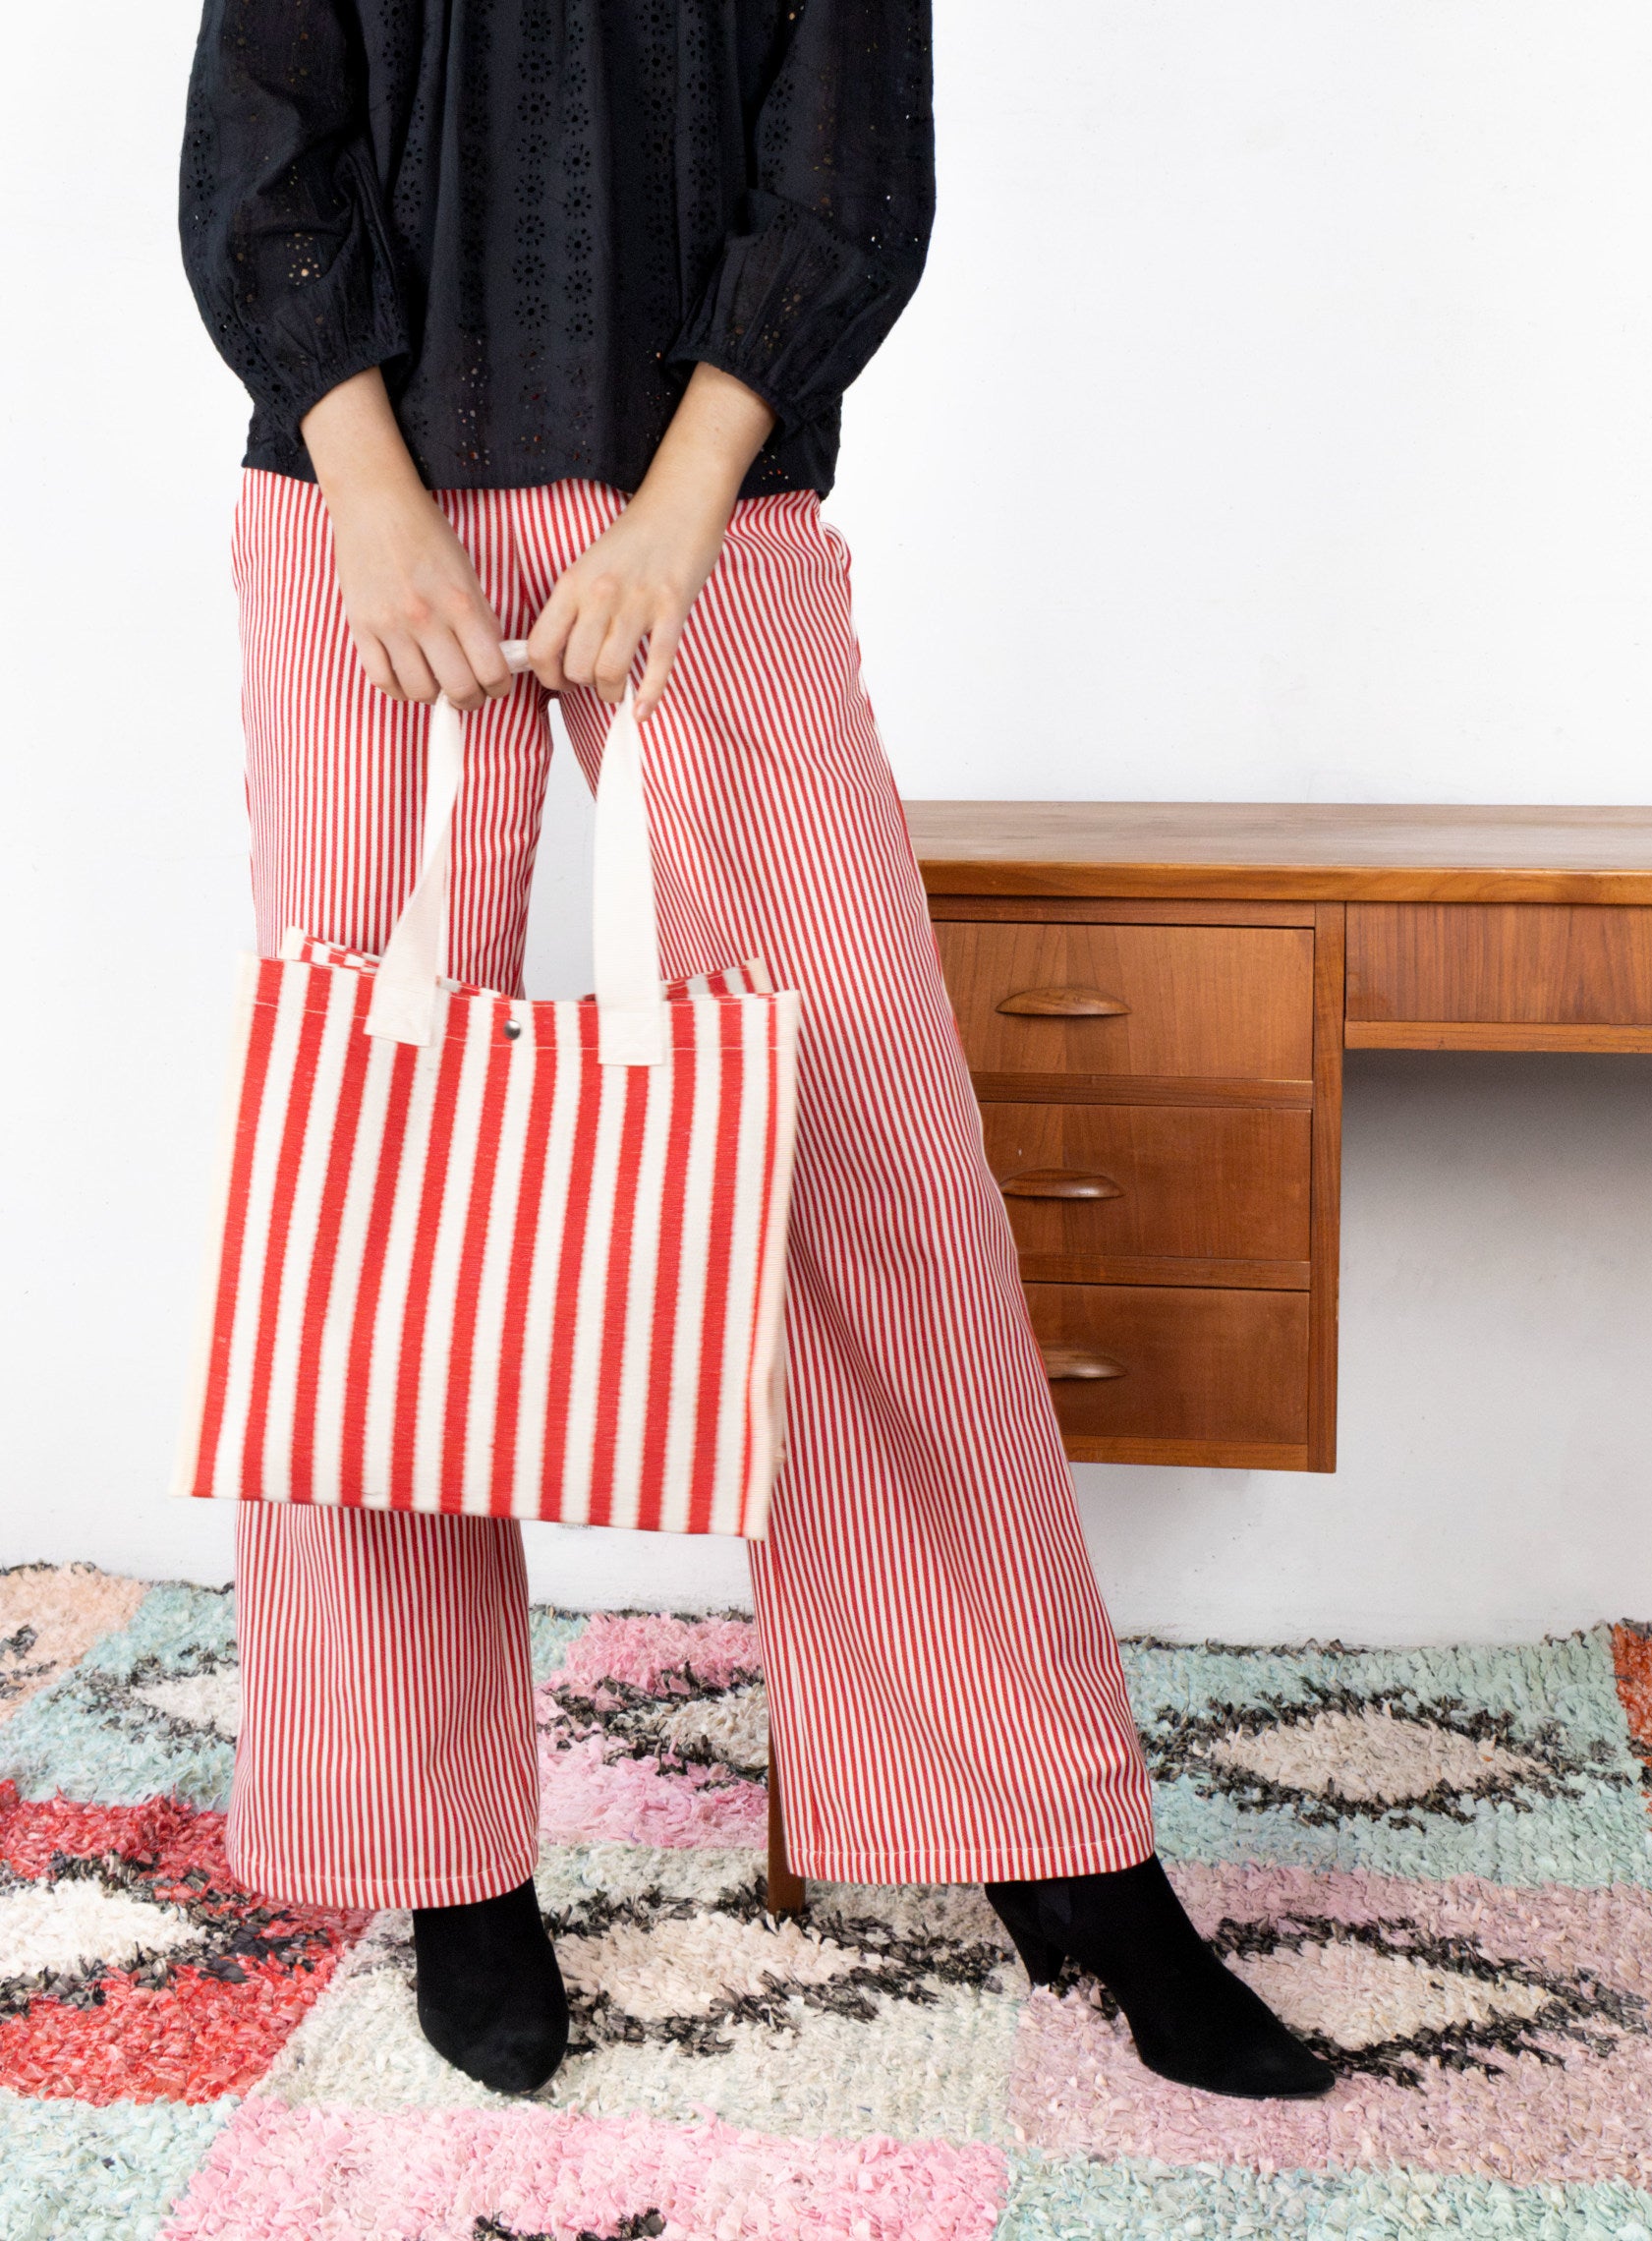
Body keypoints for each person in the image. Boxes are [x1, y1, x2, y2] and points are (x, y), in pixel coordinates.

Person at [179, 0, 1332, 2104]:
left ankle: (1057, 1843)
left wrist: (682, 502)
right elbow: (261, 139)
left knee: (878, 1161)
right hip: (358, 510)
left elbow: (842, 179)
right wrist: (368, 486)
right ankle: (439, 1860)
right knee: (365, 1189)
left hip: (707, 516)